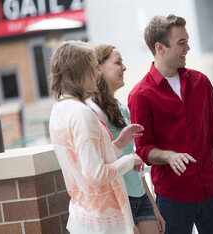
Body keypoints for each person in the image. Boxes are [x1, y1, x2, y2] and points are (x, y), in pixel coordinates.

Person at [128, 14, 213, 234]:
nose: (188, 47)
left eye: (187, 40)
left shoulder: (201, 82)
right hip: (173, 198)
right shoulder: (140, 95)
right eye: (181, 42)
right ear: (160, 48)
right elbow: (144, 148)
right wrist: (169, 155)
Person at [49, 40, 144, 234]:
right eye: (94, 68)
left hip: (84, 217)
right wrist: (129, 159)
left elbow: (86, 161)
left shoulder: (59, 109)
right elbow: (96, 175)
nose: (98, 72)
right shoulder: (81, 113)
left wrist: (117, 145)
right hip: (104, 223)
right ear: (79, 70)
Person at [87, 44, 166, 234]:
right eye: (118, 63)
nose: (124, 67)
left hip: (140, 196)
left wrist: (153, 205)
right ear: (99, 68)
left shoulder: (122, 109)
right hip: (118, 200)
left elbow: (134, 159)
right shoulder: (90, 112)